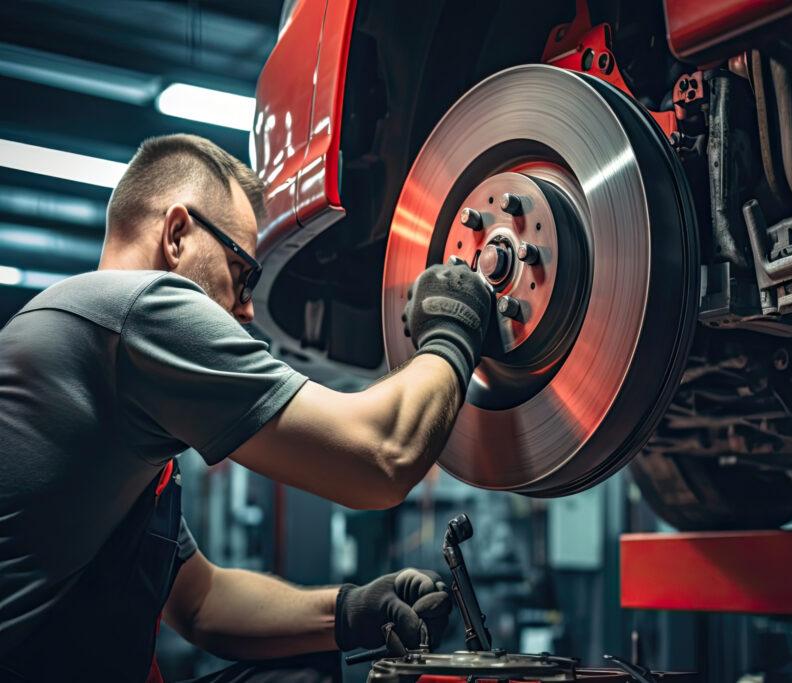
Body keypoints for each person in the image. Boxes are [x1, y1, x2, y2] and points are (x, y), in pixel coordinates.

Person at [0, 134, 494, 681]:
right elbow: (381, 455)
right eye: (243, 274)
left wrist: (353, 611)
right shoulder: (142, 309)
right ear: (177, 234)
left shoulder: (95, 355)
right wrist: (453, 328)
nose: (248, 309)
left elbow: (201, 603)